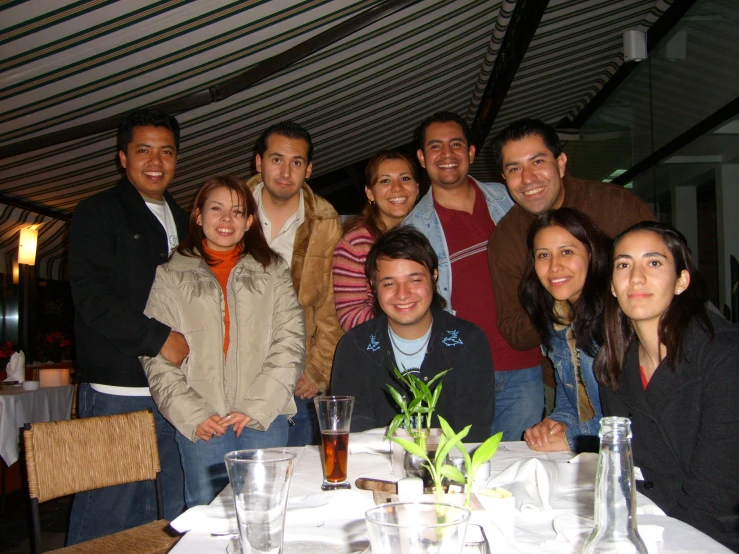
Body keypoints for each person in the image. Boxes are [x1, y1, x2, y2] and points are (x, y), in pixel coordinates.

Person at [142, 176, 305, 507]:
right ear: (199, 216)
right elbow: (157, 355)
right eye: (216, 209)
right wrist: (192, 413)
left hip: (264, 418)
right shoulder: (171, 274)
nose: (226, 219)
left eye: (237, 211)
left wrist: (257, 406)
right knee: (209, 519)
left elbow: (291, 342)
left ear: (248, 222)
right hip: (204, 422)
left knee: (265, 512)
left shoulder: (272, 270)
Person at [487, 118, 654, 438]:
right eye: (514, 169)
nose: (528, 178)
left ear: (560, 163)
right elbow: (517, 332)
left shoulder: (616, 207)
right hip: (568, 382)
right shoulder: (507, 239)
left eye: (538, 161)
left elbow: (660, 285)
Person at [67, 109, 187, 543]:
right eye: (143, 150)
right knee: (107, 516)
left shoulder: (188, 220)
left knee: (167, 515)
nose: (155, 161)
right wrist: (158, 339)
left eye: (166, 151)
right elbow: (92, 298)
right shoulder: (98, 213)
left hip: (176, 393)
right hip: (120, 388)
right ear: (122, 157)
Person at [595, 222, 739, 550]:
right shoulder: (613, 365)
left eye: (654, 263)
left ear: (681, 281)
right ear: (613, 287)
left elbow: (716, 498)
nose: (636, 277)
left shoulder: (725, 356)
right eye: (623, 264)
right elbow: (627, 474)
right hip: (654, 520)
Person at [404, 111, 540, 442]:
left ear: (471, 153)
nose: (447, 155)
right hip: (457, 376)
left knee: (514, 478)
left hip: (523, 366)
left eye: (456, 144)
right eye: (435, 147)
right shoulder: (412, 230)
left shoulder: (513, 200)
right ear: (422, 158)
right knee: (457, 480)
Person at [331, 227, 495, 442]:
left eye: (415, 280)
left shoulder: (467, 342)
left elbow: (472, 433)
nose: (402, 294)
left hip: (448, 471)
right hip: (376, 471)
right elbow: (353, 434)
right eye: (389, 283)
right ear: (373, 286)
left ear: (434, 276)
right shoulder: (355, 347)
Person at [246, 121, 343, 447]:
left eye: (296, 162)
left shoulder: (325, 222)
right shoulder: (228, 210)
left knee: (295, 480)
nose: (286, 171)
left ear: (309, 169)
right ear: (258, 163)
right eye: (276, 159)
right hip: (232, 374)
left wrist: (317, 370)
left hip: (295, 377)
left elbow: (331, 308)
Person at [519, 209, 610, 453]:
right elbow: (571, 402)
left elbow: (632, 418)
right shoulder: (557, 319)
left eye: (566, 252)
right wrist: (556, 423)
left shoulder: (618, 320)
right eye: (543, 255)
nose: (554, 266)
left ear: (591, 254)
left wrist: (573, 437)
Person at [332, 150, 420, 331]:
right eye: (385, 181)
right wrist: (409, 316)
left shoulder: (432, 232)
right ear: (370, 193)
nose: (397, 188)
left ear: (417, 188)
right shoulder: (355, 243)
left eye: (405, 179)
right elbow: (350, 316)